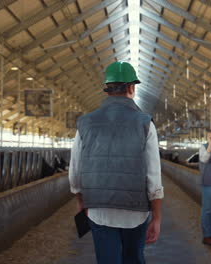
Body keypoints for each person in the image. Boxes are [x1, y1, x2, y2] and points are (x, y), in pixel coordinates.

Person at [69, 61, 163, 264]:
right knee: (133, 258)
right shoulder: (145, 123)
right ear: (131, 87)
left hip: (99, 210)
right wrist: (156, 216)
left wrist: (81, 203)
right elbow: (154, 178)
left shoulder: (85, 123)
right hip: (135, 212)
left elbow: (75, 173)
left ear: (107, 89)